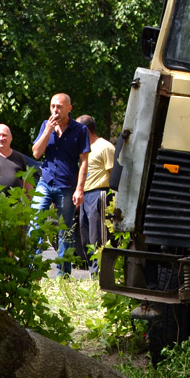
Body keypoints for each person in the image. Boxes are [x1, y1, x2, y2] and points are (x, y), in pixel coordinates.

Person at [31, 93, 89, 276]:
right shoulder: (45, 125)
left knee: (65, 230)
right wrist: (48, 131)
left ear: (69, 108)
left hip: (67, 185)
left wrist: (80, 188)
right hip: (45, 182)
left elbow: (84, 161)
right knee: (35, 222)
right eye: (52, 106)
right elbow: (36, 154)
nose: (55, 110)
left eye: (59, 107)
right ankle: (32, 269)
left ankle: (63, 274)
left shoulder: (80, 130)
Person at [75, 115, 114, 271]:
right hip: (85, 195)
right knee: (85, 237)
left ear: (85, 130)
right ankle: (93, 273)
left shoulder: (105, 147)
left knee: (98, 236)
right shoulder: (83, 149)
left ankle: (101, 274)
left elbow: (115, 174)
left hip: (100, 194)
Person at [0, 124, 32, 194]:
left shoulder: (19, 158)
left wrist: (31, 202)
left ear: (11, 137)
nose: (1, 138)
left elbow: (28, 186)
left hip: (15, 204)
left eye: (4, 135)